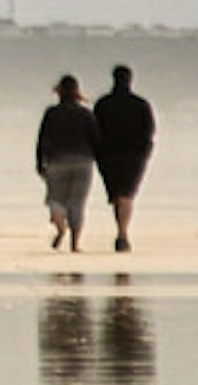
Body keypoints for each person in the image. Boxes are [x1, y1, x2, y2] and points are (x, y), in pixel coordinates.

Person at [92, 64, 157, 255]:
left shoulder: (103, 104)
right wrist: (146, 151)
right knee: (126, 195)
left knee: (117, 195)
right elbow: (149, 130)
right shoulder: (140, 104)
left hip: (108, 155)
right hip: (134, 155)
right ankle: (122, 234)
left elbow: (95, 130)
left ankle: (121, 232)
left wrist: (97, 152)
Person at [37, 74, 98, 253]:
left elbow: (42, 140)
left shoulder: (51, 113)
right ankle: (75, 243)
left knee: (55, 199)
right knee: (78, 203)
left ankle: (60, 227)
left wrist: (40, 162)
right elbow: (96, 140)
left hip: (57, 161)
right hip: (83, 162)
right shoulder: (86, 114)